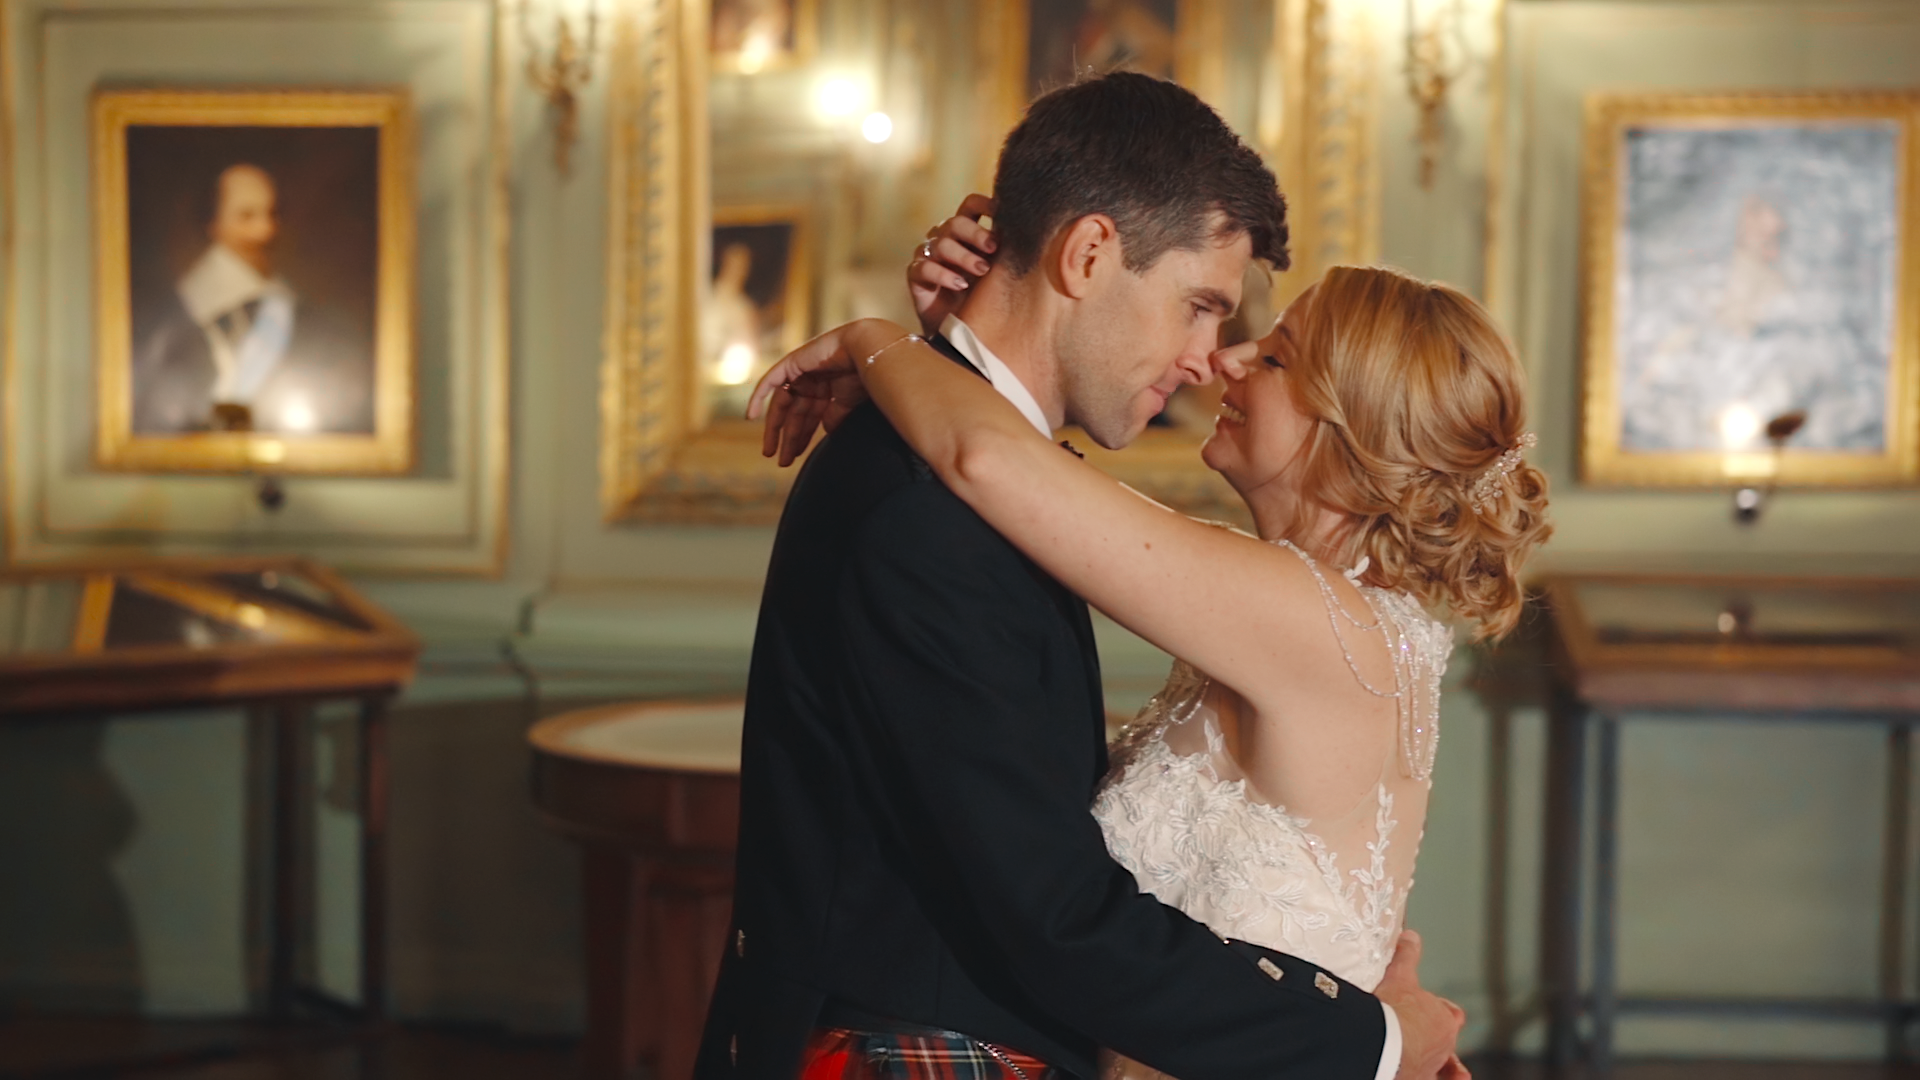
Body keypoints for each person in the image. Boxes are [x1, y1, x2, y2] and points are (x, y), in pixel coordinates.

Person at [698, 72, 1469, 1080]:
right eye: (1200, 307)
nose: (1212, 360)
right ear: (1090, 253)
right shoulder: (932, 509)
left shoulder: (986, 484)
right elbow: (1051, 911)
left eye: (1258, 346)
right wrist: (1375, 1041)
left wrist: (893, 346)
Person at [132, 162, 372, 435]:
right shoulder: (175, 314)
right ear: (213, 223)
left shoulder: (294, 312)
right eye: (246, 217)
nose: (264, 230)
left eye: (271, 215)